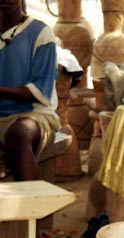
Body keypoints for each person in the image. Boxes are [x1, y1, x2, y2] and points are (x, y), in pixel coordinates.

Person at [0, 0, 60, 181]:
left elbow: (41, 91)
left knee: (19, 136)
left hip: (33, 114)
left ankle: (33, 206)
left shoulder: (40, 32)